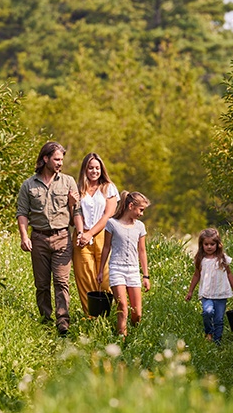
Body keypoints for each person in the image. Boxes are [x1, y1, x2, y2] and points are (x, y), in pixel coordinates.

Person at [16, 141, 81, 336]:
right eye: (57, 159)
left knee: (62, 282)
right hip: (39, 238)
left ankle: (63, 322)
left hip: (62, 236)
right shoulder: (28, 185)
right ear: (46, 159)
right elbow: (22, 212)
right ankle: (45, 319)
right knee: (42, 284)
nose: (60, 163)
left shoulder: (68, 182)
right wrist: (24, 236)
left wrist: (79, 229)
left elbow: (75, 212)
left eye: (62, 159)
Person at [97, 191, 151, 337]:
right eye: (141, 210)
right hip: (116, 269)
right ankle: (121, 340)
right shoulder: (112, 224)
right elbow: (106, 247)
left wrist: (146, 276)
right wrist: (101, 270)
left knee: (137, 313)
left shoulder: (140, 226)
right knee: (122, 307)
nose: (142, 214)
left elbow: (142, 251)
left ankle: (133, 334)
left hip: (133, 271)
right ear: (131, 206)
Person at [73, 152, 120, 315]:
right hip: (81, 236)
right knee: (85, 278)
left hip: (102, 235)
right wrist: (81, 234)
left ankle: (108, 315)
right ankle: (90, 318)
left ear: (102, 169)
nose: (94, 171)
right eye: (90, 168)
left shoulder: (109, 188)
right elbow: (76, 212)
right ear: (85, 170)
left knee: (105, 278)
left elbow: (108, 215)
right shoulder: (78, 188)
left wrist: (90, 234)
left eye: (97, 168)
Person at [184, 228, 233, 343]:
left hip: (221, 293)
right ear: (201, 245)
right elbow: (196, 275)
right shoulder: (200, 259)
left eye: (212, 244)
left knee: (219, 319)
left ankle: (217, 341)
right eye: (206, 244)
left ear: (218, 244)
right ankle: (209, 331)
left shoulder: (222, 258)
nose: (209, 247)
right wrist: (190, 291)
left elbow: (229, 273)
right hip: (207, 293)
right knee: (207, 312)